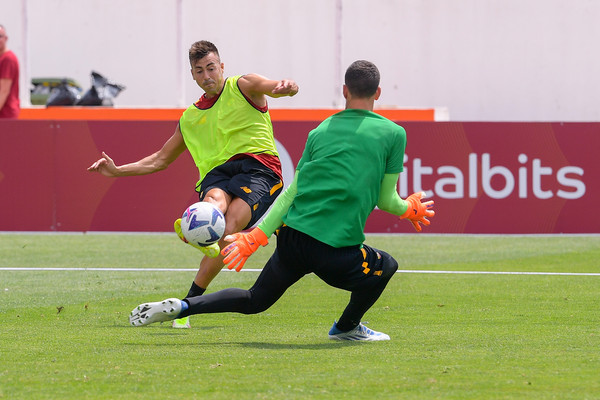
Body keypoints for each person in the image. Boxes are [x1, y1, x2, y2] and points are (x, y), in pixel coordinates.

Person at [129, 60, 435, 341]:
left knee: (255, 300)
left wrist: (255, 237)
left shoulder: (320, 130)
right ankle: (347, 327)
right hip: (335, 251)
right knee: (387, 266)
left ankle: (184, 307)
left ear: (344, 90)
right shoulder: (394, 133)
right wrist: (410, 209)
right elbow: (386, 201)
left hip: (292, 239)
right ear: (378, 92)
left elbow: (291, 192)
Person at [88, 40, 298, 328]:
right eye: (199, 71)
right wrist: (116, 171)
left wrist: (286, 87)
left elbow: (274, 86)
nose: (206, 76)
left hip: (258, 168)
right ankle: (199, 247)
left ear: (222, 67)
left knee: (230, 226)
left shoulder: (243, 86)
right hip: (218, 175)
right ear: (193, 75)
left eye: (211, 68)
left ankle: (193, 276)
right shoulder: (189, 118)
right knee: (213, 203)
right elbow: (159, 159)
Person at [0, 24, 20, 119]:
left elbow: (4, 91)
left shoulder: (8, 59)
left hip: (5, 114)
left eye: (0, 36)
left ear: (6, 38)